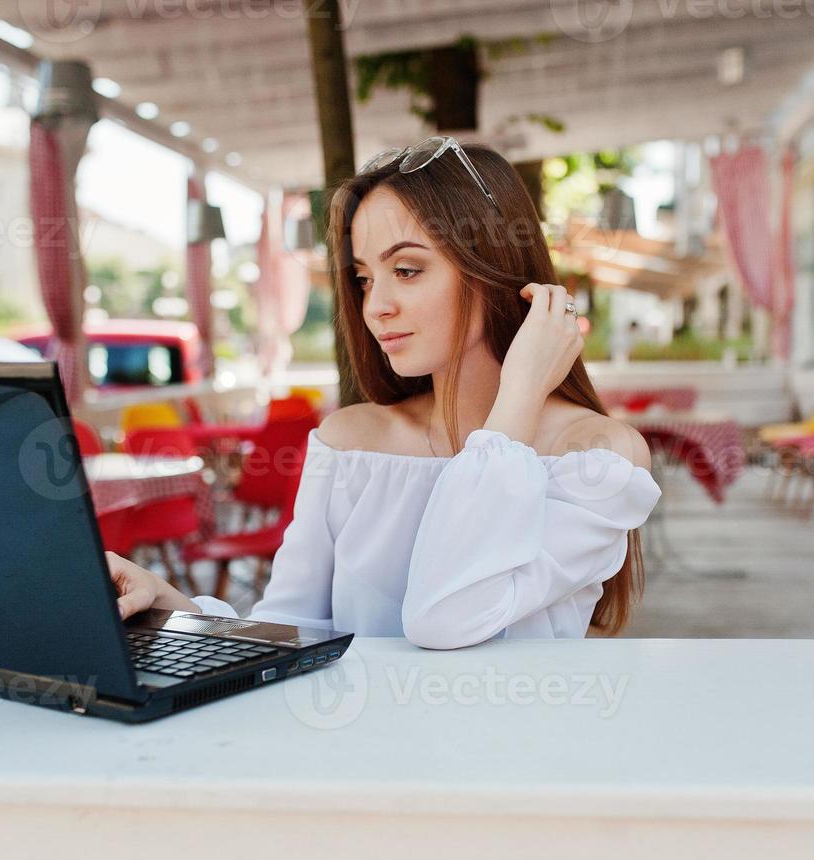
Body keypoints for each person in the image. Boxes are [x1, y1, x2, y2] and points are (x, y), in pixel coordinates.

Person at [107, 140, 660, 649]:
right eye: (366, 278)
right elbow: (292, 633)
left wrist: (516, 401)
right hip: (351, 752)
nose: (375, 307)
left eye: (407, 269)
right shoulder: (351, 441)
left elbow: (444, 616)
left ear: (494, 270)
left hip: (509, 751)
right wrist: (171, 608)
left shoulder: (596, 458)